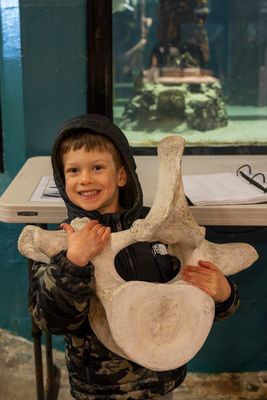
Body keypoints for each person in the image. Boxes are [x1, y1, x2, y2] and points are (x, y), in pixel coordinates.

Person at [29, 114, 239, 400]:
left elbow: (190, 301)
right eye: (73, 171)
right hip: (102, 389)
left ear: (121, 175)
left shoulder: (160, 233)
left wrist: (224, 295)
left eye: (98, 167)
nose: (85, 179)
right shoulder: (64, 245)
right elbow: (53, 321)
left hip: (163, 381)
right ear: (61, 179)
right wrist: (73, 263)